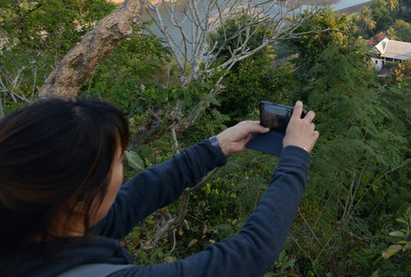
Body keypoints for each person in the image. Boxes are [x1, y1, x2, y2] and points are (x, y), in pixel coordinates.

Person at [0, 98, 319, 277]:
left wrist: (215, 147)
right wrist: (294, 157)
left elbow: (131, 201)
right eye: (119, 161)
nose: (123, 170)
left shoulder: (33, 227)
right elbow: (248, 256)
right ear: (79, 199)